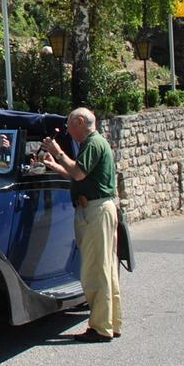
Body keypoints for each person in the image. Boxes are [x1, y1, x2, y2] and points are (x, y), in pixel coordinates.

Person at [40, 107, 123, 343]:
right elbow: (79, 173)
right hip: (99, 209)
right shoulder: (94, 144)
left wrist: (57, 153)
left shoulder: (93, 143)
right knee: (105, 268)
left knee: (95, 270)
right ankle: (110, 322)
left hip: (95, 211)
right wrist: (55, 165)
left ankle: (100, 327)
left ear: (79, 122)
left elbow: (78, 173)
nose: (67, 130)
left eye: (69, 125)